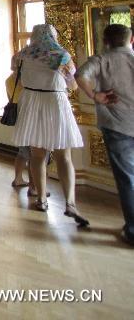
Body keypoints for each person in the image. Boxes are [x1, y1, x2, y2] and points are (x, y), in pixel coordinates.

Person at [12, 24, 88, 225]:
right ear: (53, 36)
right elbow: (73, 84)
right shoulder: (61, 55)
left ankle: (41, 198)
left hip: (32, 103)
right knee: (64, 156)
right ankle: (70, 202)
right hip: (56, 102)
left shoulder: (22, 55)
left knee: (37, 155)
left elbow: (19, 82)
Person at [76, 24, 134, 245]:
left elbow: (80, 75)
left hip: (118, 126)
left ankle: (133, 230)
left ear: (105, 40)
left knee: (127, 179)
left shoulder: (102, 59)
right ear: (130, 39)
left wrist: (95, 95)